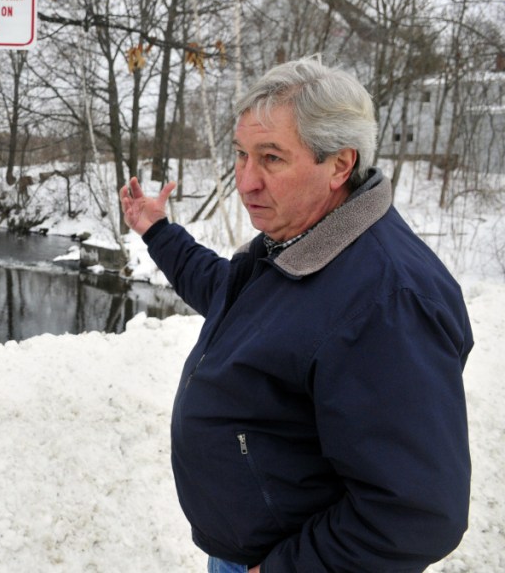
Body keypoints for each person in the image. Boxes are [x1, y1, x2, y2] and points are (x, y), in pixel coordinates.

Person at [120, 56, 473, 572]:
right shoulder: (304, 243)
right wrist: (158, 232)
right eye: (241, 155)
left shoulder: (386, 300)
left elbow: (416, 512)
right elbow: (229, 295)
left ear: (339, 165)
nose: (245, 182)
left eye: (272, 158)